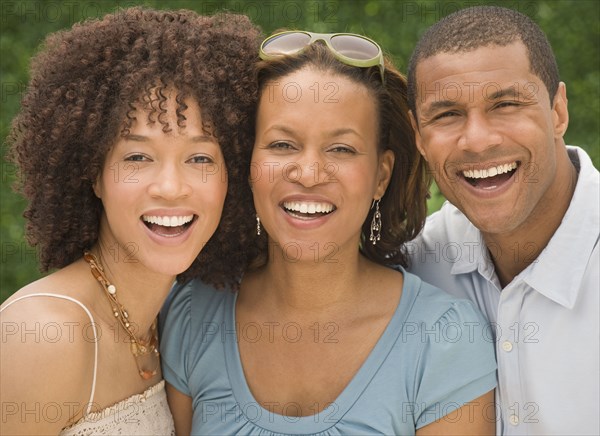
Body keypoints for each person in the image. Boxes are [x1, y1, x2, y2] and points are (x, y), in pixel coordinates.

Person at [161, 31, 497, 435]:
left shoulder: (445, 339)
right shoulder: (192, 313)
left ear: (380, 176)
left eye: (341, 149)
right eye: (282, 145)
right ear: (248, 165)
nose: (308, 173)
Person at [0, 7, 260, 435]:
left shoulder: (172, 321)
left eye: (200, 157)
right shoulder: (43, 334)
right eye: (138, 157)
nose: (171, 187)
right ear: (93, 173)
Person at [405, 5, 599, 435]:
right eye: (447, 114)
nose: (477, 140)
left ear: (558, 111)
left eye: (506, 104)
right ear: (418, 135)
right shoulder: (415, 268)